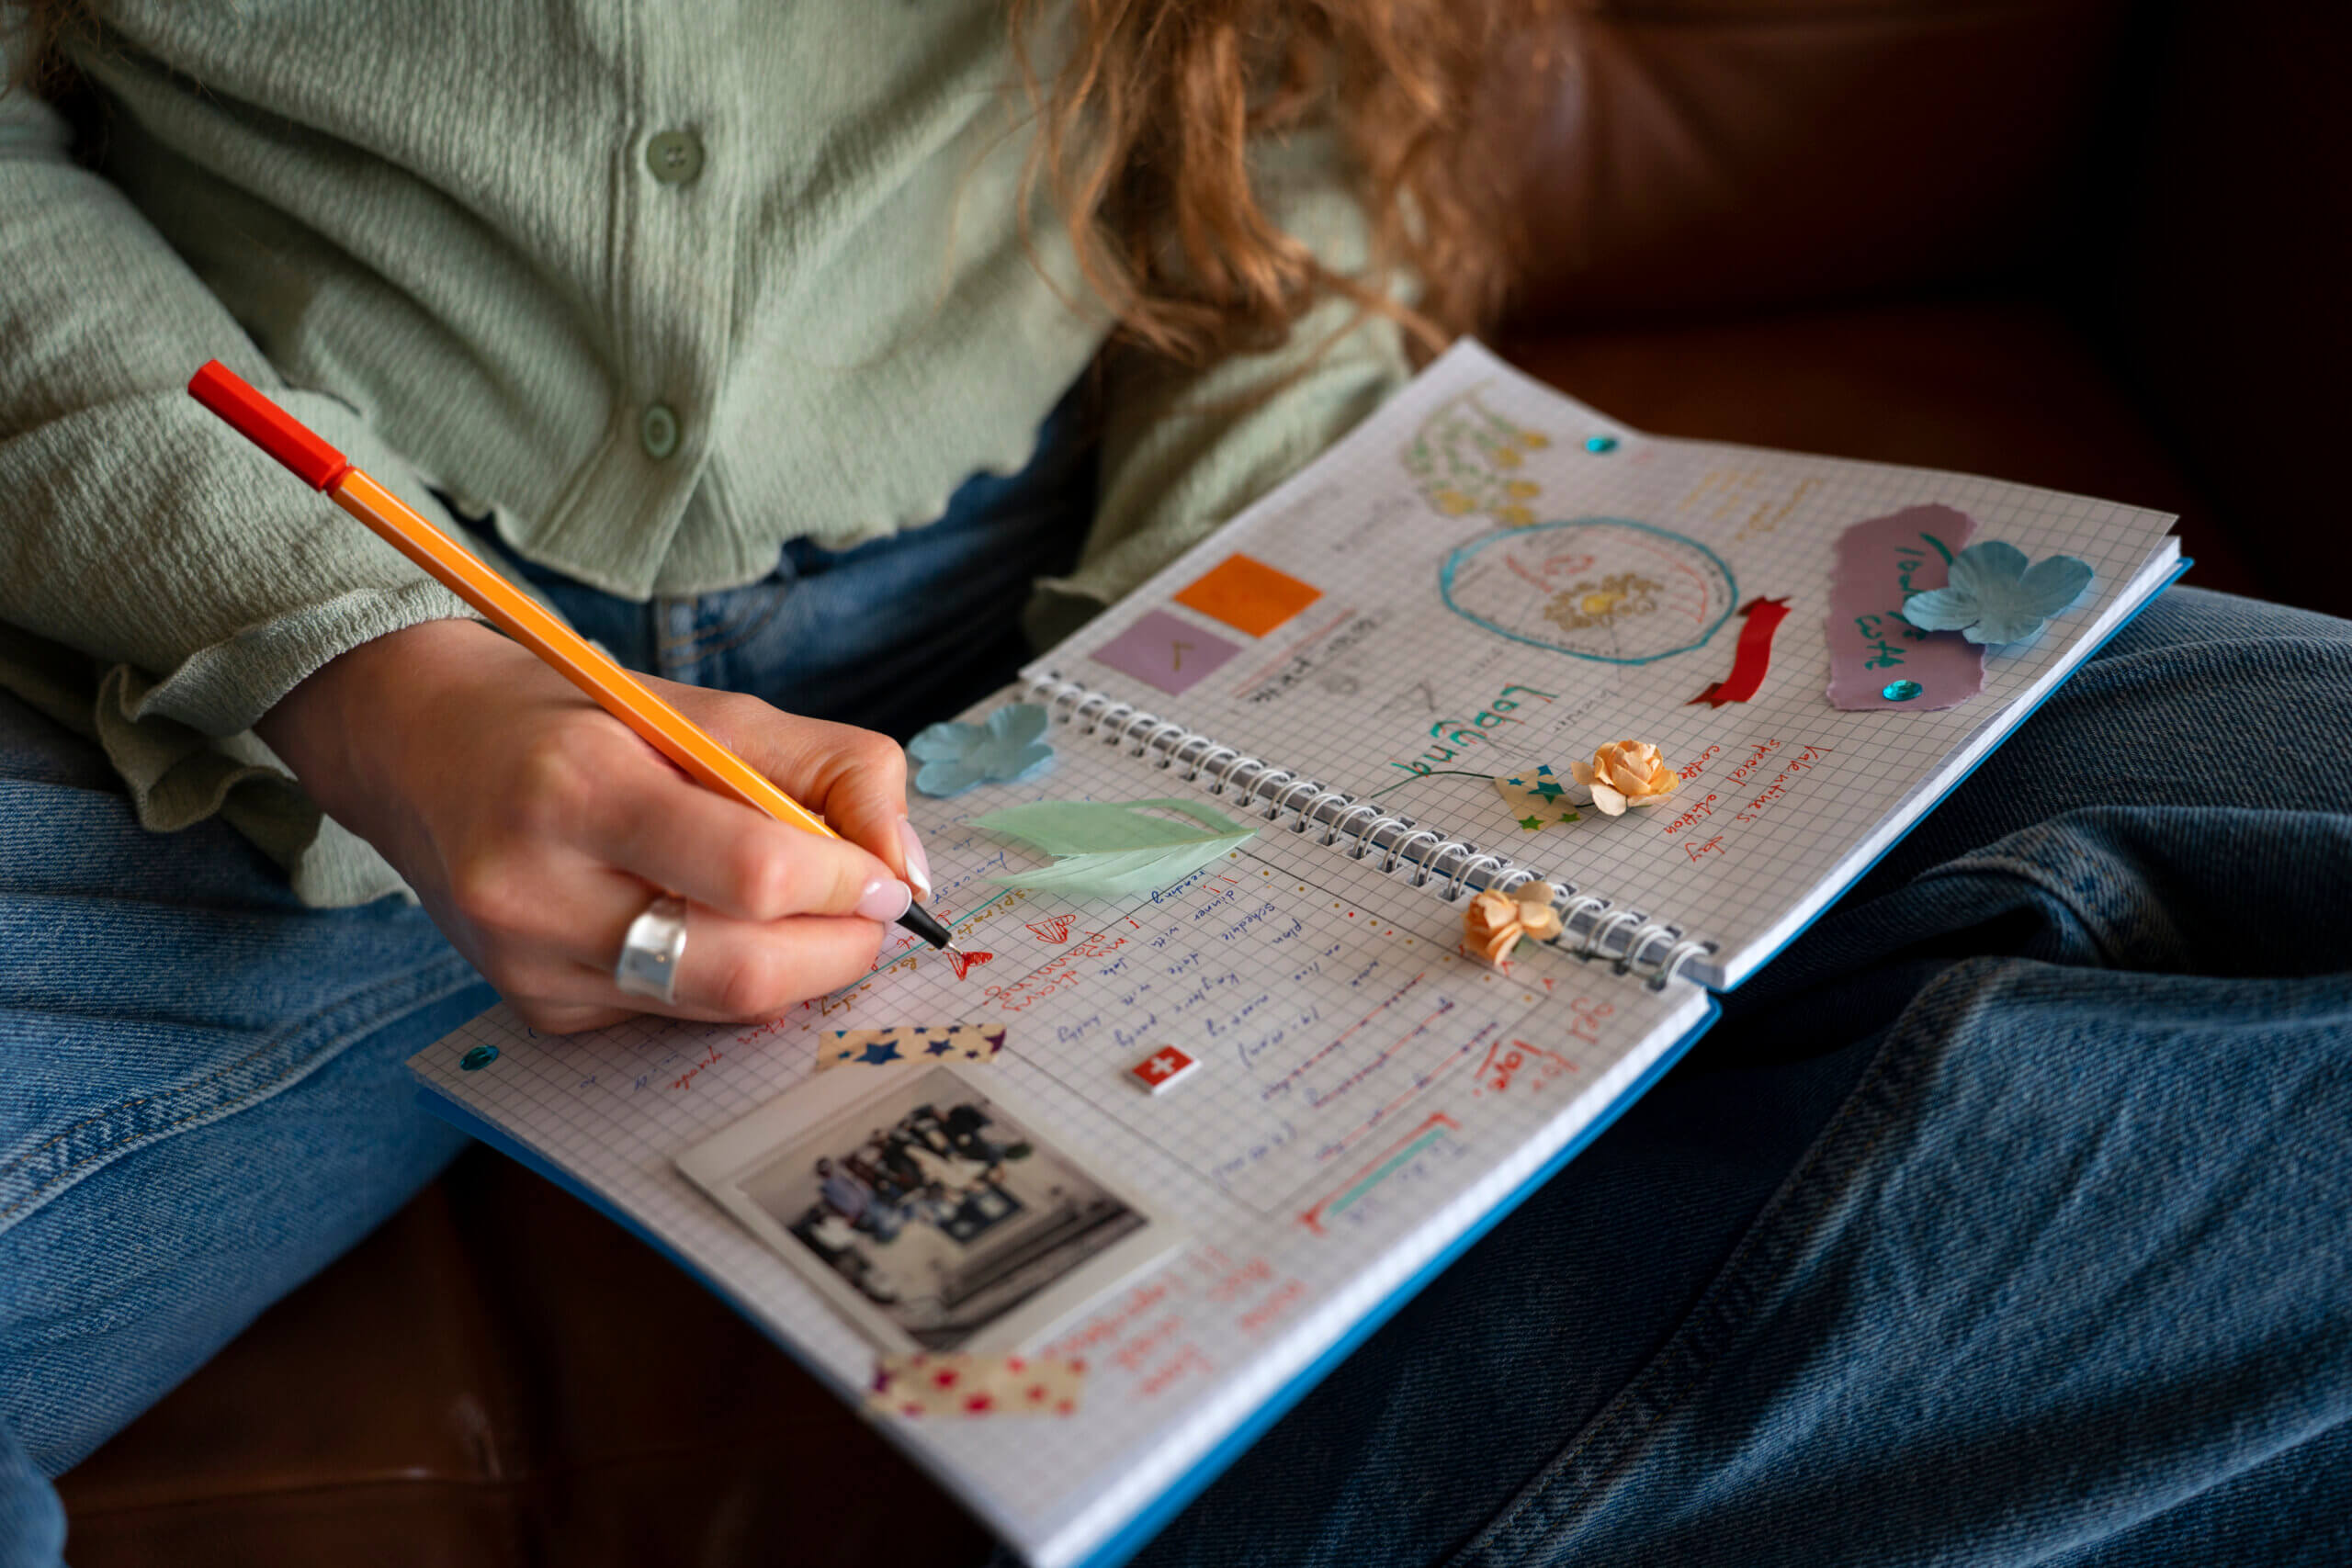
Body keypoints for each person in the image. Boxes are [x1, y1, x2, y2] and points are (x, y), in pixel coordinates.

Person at [1, 7, 2345, 1568]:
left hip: (1119, 537)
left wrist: (1249, 645)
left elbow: (1282, 107)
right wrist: (363, 666)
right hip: (234, 649)